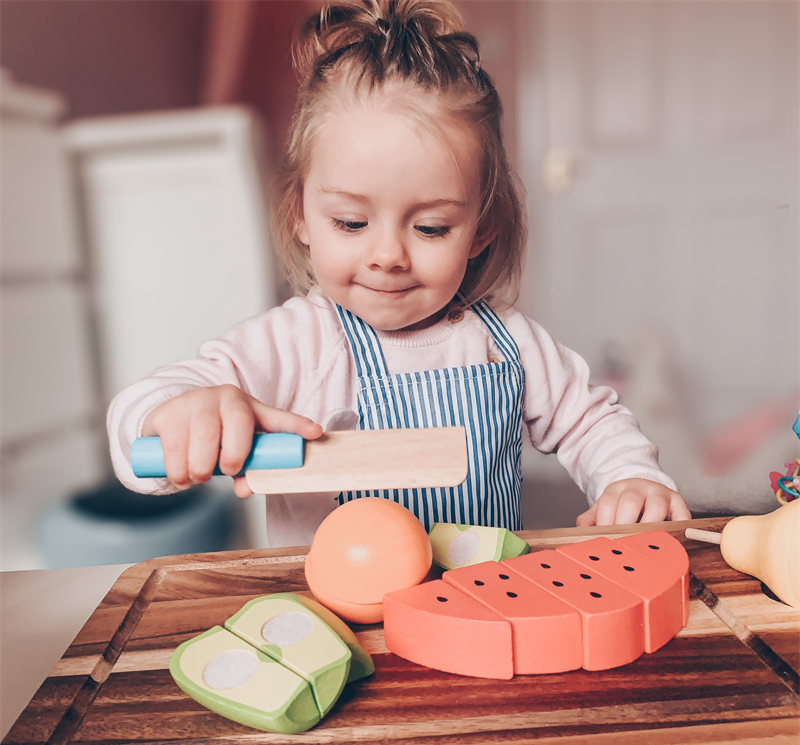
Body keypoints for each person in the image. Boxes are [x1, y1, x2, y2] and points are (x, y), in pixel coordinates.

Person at [108, 0, 691, 547]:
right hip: (332, 623)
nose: (388, 255)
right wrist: (181, 414)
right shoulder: (297, 343)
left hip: (476, 602)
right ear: (301, 216)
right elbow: (136, 430)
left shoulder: (506, 343)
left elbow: (589, 420)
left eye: (431, 228)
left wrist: (630, 479)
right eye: (352, 222)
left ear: (481, 229)